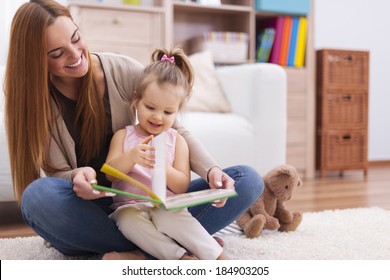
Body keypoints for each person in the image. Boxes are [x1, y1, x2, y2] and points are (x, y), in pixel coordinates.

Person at [4, 0, 264, 259]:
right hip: (96, 211)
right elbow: (55, 174)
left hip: (157, 203)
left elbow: (176, 131)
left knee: (247, 180)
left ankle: (135, 254)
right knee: (37, 197)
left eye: (76, 38)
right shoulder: (37, 104)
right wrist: (74, 177)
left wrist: (212, 172)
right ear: (35, 60)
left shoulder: (123, 70)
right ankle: (174, 247)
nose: (74, 55)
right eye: (57, 53)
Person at [104, 47, 228, 260]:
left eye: (168, 112)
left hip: (166, 206)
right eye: (150, 107)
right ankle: (180, 258)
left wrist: (163, 167)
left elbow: (181, 186)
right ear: (136, 100)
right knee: (129, 223)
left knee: (176, 220)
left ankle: (215, 256)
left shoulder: (177, 141)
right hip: (128, 207)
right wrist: (131, 157)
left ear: (178, 111)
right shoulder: (122, 136)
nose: (158, 117)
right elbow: (110, 174)